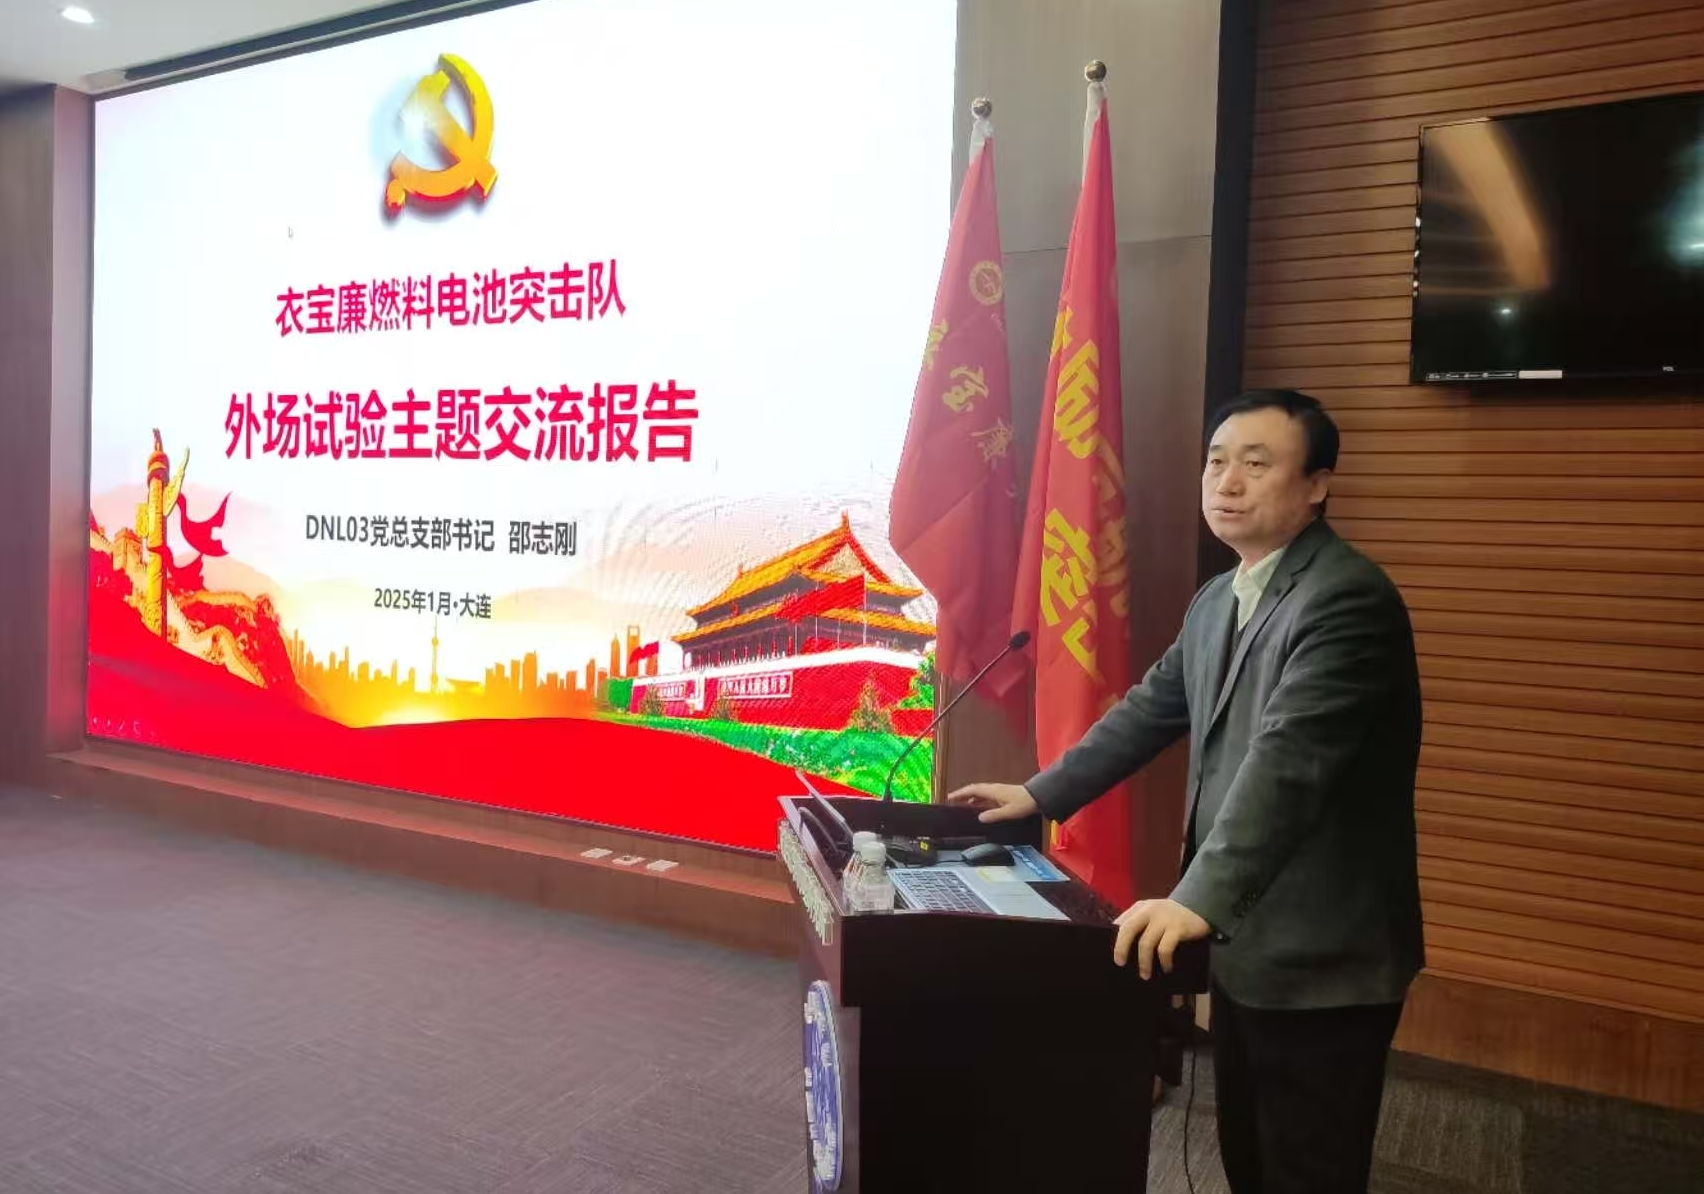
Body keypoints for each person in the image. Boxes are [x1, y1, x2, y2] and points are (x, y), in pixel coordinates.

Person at [948, 389, 1424, 1194]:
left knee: (1309, 1168)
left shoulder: (1346, 599)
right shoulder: (1219, 599)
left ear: (1317, 485)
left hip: (1322, 954)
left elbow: (1290, 764)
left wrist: (1195, 897)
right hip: (1245, 939)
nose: (1227, 482)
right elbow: (1148, 710)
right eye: (1216, 461)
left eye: (1256, 464)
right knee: (1249, 1157)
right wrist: (1042, 794)